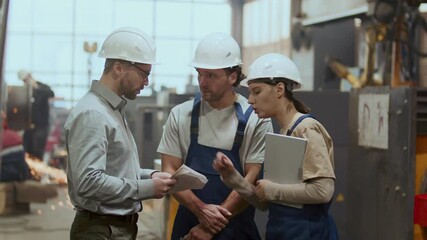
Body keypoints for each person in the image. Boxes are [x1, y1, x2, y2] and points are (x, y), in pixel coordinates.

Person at [157, 32, 273, 240]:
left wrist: (209, 227)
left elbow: (250, 180)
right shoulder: (181, 114)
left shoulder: (256, 120)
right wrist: (201, 210)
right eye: (199, 73)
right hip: (189, 227)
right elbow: (169, 171)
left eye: (211, 75)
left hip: (235, 229)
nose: (202, 82)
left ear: (233, 76)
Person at [64, 27, 176, 240]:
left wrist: (150, 175)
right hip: (101, 229)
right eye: (144, 74)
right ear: (118, 68)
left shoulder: (111, 110)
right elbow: (89, 182)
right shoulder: (93, 113)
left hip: (114, 228)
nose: (147, 82)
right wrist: (146, 188)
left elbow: (115, 169)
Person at [213, 53, 339, 240]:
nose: (250, 100)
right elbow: (266, 202)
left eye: (257, 91)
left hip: (308, 233)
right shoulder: (282, 133)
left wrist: (272, 190)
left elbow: (323, 191)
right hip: (282, 232)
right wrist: (234, 180)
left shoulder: (306, 129)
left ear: (279, 89)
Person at [17, 69, 55, 160]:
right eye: (24, 80)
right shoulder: (24, 91)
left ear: (30, 76)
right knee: (27, 151)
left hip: (41, 126)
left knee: (38, 151)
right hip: (28, 127)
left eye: (26, 79)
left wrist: (36, 87)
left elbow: (51, 93)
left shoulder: (41, 87)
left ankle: (37, 171)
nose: (25, 82)